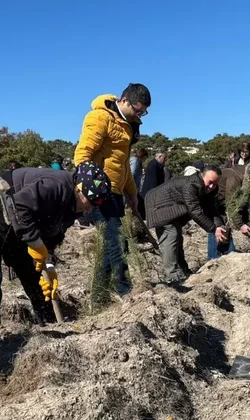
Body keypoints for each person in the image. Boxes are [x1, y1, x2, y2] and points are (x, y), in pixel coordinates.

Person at [0, 161, 111, 350]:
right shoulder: (57, 186)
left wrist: (48, 266)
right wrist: (35, 242)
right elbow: (19, 206)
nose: (90, 210)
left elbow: (51, 236)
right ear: (79, 189)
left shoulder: (72, 208)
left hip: (13, 226)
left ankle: (50, 326)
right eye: (91, 203)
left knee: (34, 277)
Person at [74, 83, 150, 296]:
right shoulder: (100, 118)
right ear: (124, 100)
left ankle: (99, 295)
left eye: (143, 112)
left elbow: (123, 164)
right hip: (99, 191)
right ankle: (124, 290)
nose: (140, 115)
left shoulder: (127, 125)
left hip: (116, 192)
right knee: (117, 241)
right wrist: (87, 189)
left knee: (110, 245)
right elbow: (82, 155)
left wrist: (132, 193)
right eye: (137, 110)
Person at [145, 166, 227, 283]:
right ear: (202, 176)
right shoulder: (191, 185)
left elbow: (211, 209)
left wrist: (219, 226)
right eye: (210, 182)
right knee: (171, 235)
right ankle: (173, 276)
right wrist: (213, 229)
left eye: (215, 183)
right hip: (159, 206)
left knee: (177, 237)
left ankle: (183, 270)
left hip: (173, 209)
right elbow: (195, 211)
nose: (211, 186)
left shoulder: (210, 188)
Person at [130, 148, 149, 217]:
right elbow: (132, 173)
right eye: (145, 158)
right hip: (131, 187)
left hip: (134, 186)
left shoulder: (138, 162)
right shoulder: (135, 161)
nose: (144, 160)